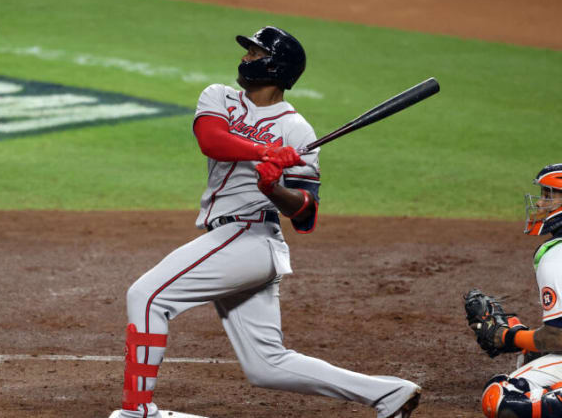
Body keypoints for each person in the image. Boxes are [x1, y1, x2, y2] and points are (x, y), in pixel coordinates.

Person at [113, 26, 421, 418]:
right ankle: (390, 393)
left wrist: (273, 187)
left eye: (255, 54)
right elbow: (211, 140)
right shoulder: (219, 96)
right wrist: (267, 152)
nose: (245, 59)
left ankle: (136, 411)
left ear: (276, 67)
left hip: (251, 236)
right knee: (266, 365)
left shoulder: (298, 130)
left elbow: (305, 215)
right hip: (230, 240)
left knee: (147, 296)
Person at [468, 163, 562, 418]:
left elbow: (558, 339)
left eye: (549, 195)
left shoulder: (556, 255)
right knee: (533, 354)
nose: (540, 203)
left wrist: (509, 336)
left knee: (501, 398)